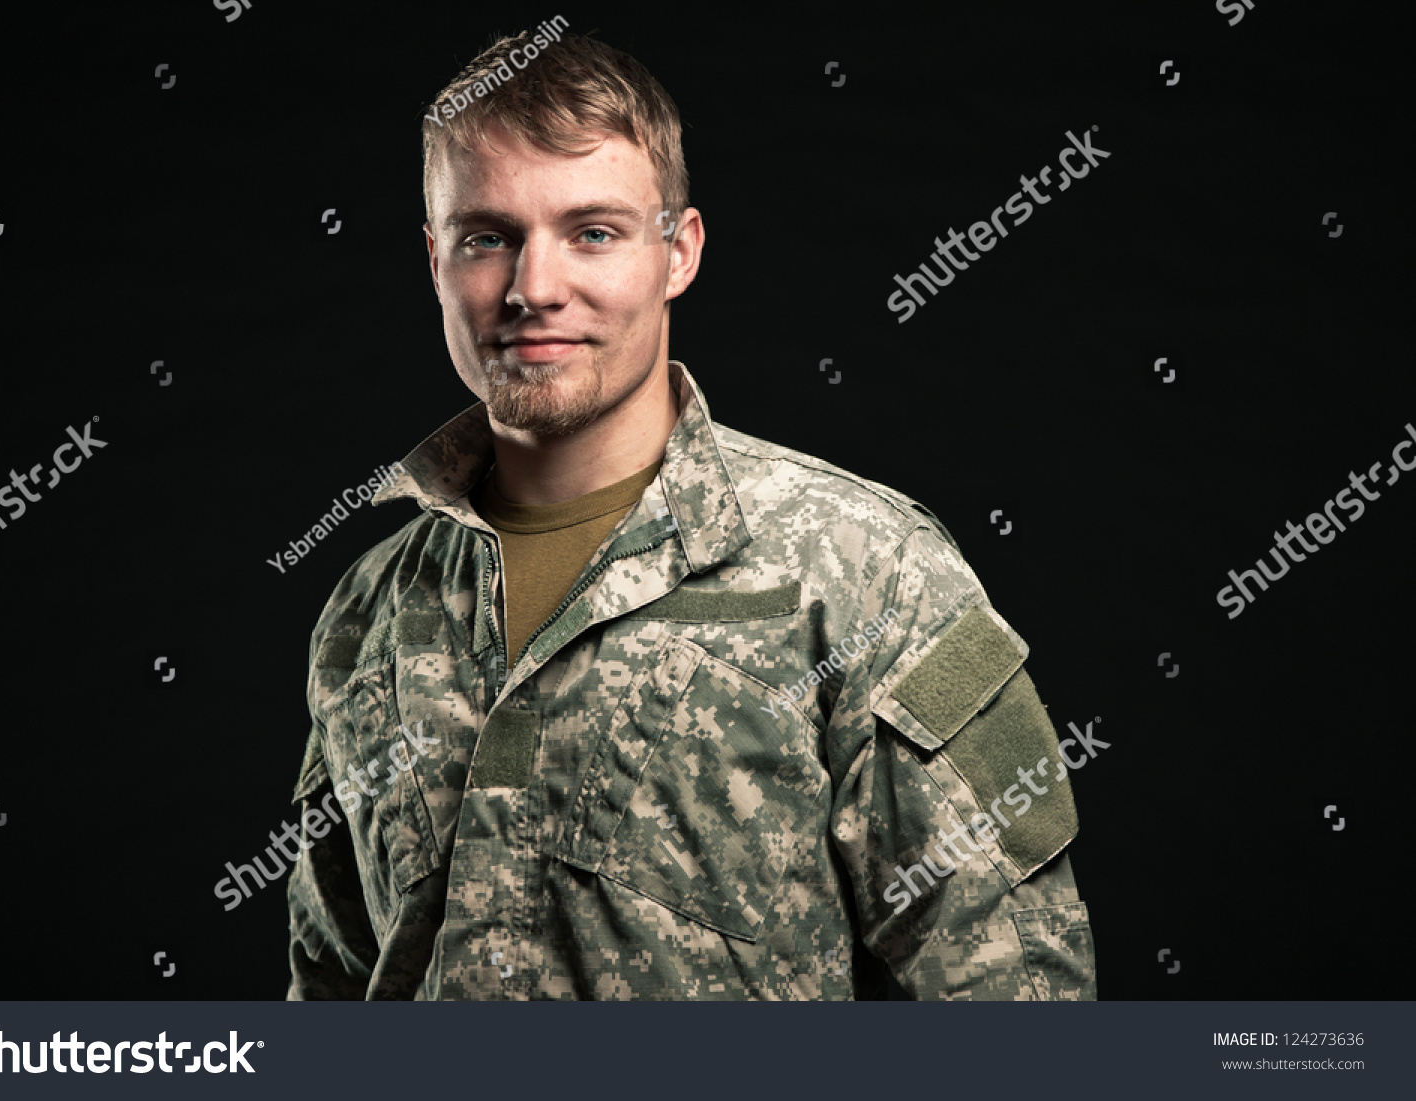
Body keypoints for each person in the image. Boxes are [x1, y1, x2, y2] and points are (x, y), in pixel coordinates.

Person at [286, 25, 1096, 1000]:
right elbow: (328, 995)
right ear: (434, 261)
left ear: (678, 253)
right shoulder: (368, 616)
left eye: (593, 233)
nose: (534, 289)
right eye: (488, 238)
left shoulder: (870, 576)